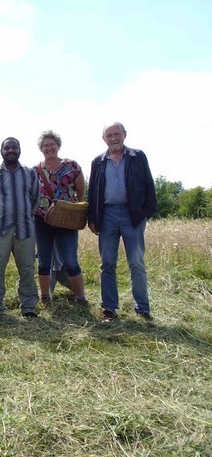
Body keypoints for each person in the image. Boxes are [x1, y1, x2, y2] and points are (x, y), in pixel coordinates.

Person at [87, 122, 157, 325]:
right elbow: (93, 192)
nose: (113, 139)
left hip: (132, 215)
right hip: (107, 215)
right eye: (109, 135)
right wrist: (92, 218)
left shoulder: (137, 156)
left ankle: (143, 309)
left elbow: (148, 183)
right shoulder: (98, 161)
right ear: (104, 139)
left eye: (117, 134)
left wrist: (146, 213)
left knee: (136, 262)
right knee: (107, 263)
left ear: (124, 135)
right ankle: (109, 309)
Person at [0, 137, 40, 318]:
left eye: (14, 148)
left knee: (27, 268)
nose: (10, 151)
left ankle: (29, 306)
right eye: (7, 148)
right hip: (0, 229)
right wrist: (0, 217)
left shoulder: (30, 173)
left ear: (19, 150)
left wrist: (26, 215)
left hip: (25, 229)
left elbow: (35, 199)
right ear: (1, 151)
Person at [33, 130, 88, 306]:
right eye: (45, 145)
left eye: (52, 144)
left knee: (71, 262)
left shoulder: (72, 166)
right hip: (42, 220)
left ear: (58, 146)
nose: (49, 148)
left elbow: (80, 191)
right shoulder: (35, 170)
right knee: (43, 262)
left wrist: (72, 207)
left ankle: (81, 299)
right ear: (41, 149)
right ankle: (45, 298)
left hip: (67, 220)